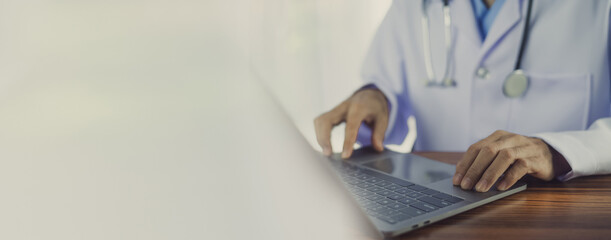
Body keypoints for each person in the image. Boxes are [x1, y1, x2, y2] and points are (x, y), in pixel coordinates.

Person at [314, 0, 611, 192]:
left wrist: (557, 151)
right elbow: (384, 84)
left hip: (549, 212)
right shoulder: (412, 7)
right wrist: (375, 98)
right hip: (430, 205)